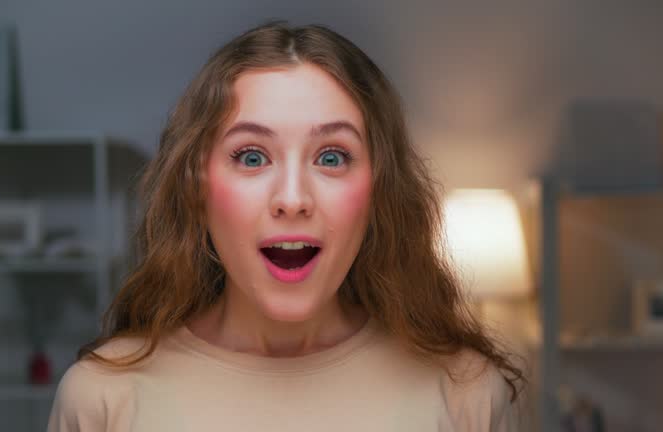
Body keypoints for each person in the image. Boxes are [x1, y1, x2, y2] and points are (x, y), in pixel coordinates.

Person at [47, 21, 525, 431]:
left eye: (332, 157)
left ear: (378, 189)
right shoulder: (101, 398)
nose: (293, 199)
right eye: (252, 157)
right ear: (197, 187)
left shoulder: (467, 395)